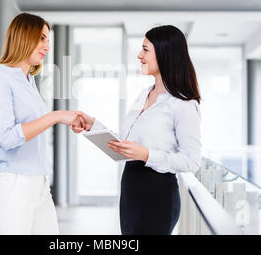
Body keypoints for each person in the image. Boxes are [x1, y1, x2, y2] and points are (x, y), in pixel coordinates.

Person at [72, 25, 202, 235]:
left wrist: (147, 155)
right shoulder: (144, 94)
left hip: (158, 196)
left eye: (145, 50)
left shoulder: (183, 104)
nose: (139, 55)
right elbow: (125, 144)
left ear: (164, 53)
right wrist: (93, 125)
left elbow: (192, 160)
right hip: (131, 191)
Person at [0, 13, 85, 235]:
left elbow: (33, 127)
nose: (47, 46)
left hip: (39, 184)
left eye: (48, 40)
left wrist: (65, 119)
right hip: (13, 185)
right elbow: (7, 138)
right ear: (23, 37)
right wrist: (56, 116)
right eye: (42, 38)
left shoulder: (28, 81)